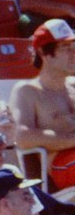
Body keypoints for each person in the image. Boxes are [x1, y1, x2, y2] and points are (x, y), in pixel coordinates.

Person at [9, 19, 75, 190]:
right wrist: (71, 139)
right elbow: (22, 136)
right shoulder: (28, 91)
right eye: (66, 48)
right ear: (44, 53)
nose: (74, 53)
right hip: (62, 165)